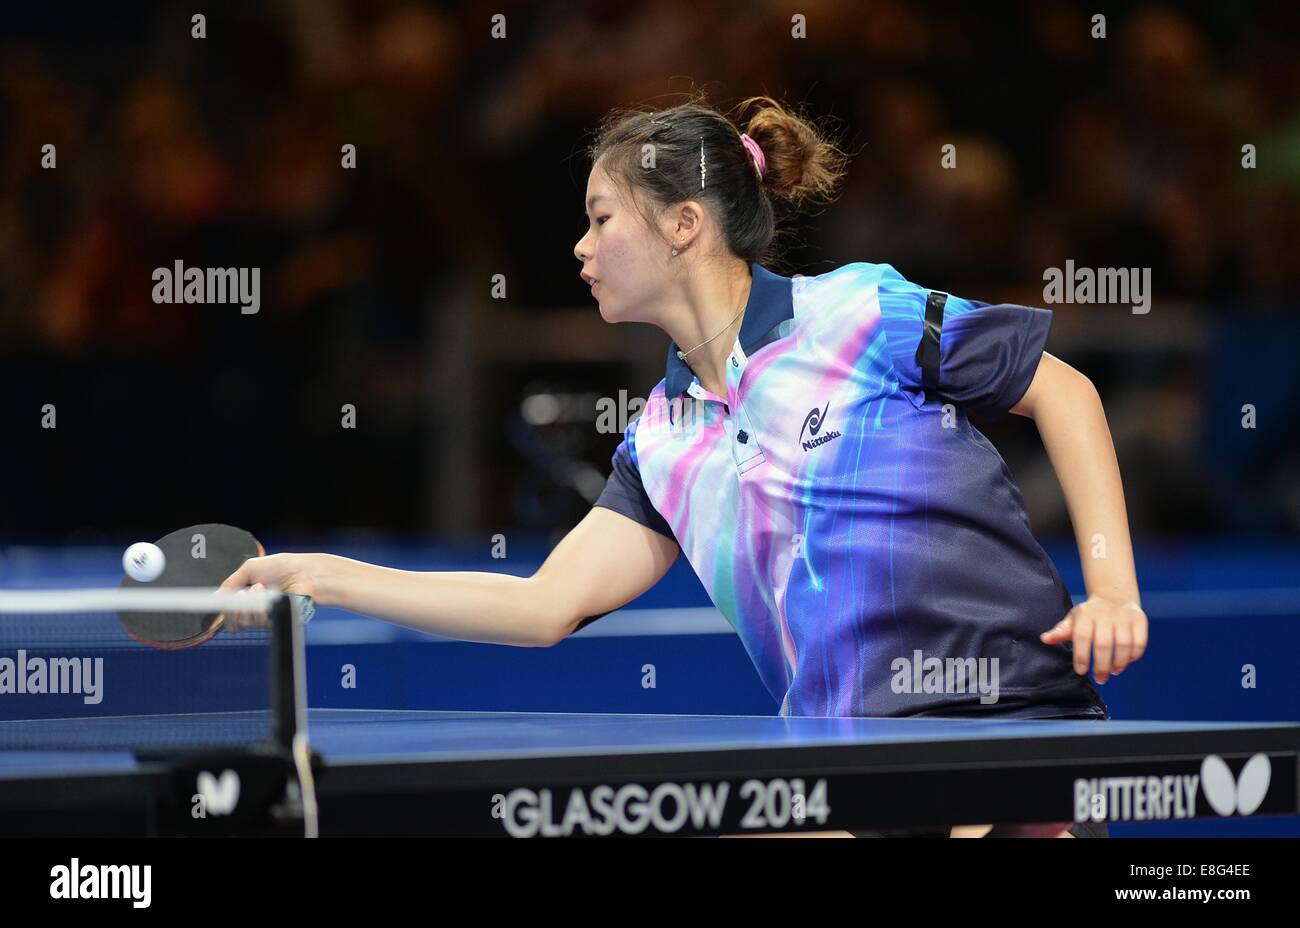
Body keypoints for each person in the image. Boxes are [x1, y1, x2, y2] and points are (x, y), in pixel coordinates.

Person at [220, 94, 1149, 838]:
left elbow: (1063, 392)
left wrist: (1110, 589)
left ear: (683, 224)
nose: (579, 249)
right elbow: (543, 607)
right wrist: (326, 577)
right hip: (850, 773)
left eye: (599, 217)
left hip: (1013, 723)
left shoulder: (858, 313)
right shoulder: (661, 443)